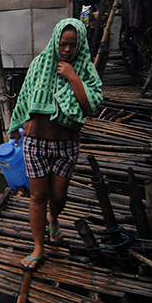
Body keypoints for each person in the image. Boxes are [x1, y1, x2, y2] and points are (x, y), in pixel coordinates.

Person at [9, 18, 102, 271]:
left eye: (73, 45)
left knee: (59, 195)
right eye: (63, 44)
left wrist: (72, 78)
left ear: (80, 44)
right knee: (38, 195)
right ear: (55, 42)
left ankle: (54, 217)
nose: (67, 50)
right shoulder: (40, 64)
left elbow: (91, 105)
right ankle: (38, 248)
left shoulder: (84, 69)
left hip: (66, 142)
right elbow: (25, 96)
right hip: (35, 139)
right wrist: (14, 130)